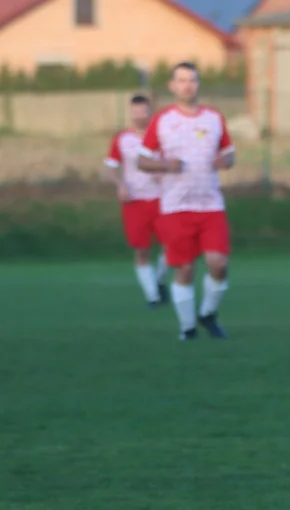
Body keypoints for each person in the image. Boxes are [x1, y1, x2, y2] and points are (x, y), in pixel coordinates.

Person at [137, 62, 236, 340]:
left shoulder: (214, 118)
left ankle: (208, 314)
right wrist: (166, 165)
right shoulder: (163, 120)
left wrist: (224, 161)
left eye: (192, 80)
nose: (187, 85)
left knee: (218, 264)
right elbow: (142, 160)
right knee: (185, 268)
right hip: (175, 207)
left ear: (198, 84)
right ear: (172, 86)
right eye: (181, 81)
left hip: (211, 204)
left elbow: (230, 153)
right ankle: (187, 327)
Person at [104, 94, 170, 307]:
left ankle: (158, 281)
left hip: (163, 200)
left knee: (172, 245)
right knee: (141, 250)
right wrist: (119, 184)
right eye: (135, 111)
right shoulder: (122, 139)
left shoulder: (163, 137)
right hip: (134, 202)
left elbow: (174, 164)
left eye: (143, 111)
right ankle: (152, 297)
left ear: (151, 112)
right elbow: (110, 167)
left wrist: (164, 174)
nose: (139, 116)